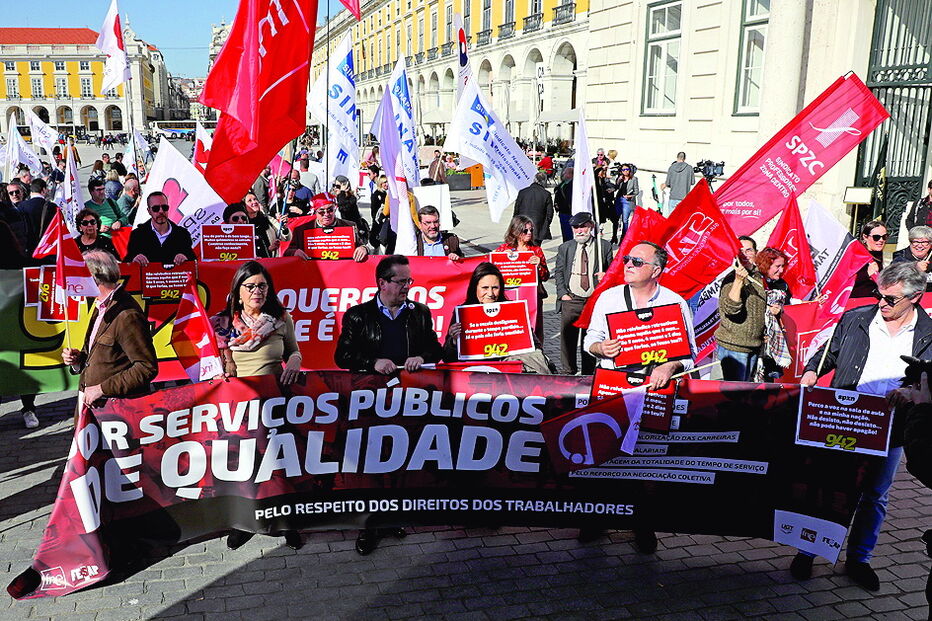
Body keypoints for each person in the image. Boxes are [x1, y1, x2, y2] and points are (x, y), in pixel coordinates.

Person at [791, 262, 932, 591]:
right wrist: (813, 370)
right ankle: (808, 551)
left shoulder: (928, 334)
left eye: (891, 299)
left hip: (893, 425)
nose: (882, 303)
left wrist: (912, 392)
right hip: (847, 416)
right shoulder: (857, 318)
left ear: (916, 297)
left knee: (875, 496)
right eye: (879, 294)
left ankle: (859, 558)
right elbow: (829, 352)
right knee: (829, 487)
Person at [582, 241, 696, 550]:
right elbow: (589, 340)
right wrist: (599, 347)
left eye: (637, 261)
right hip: (612, 389)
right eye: (627, 259)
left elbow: (690, 355)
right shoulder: (609, 298)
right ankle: (595, 519)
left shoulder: (675, 303)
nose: (628, 264)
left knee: (645, 462)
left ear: (656, 271)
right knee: (604, 456)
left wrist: (671, 365)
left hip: (653, 394)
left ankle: (643, 526)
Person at [335, 255, 442, 555]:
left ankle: (393, 516)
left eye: (409, 280)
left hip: (407, 400)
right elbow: (342, 357)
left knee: (400, 459)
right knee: (371, 463)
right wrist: (372, 362)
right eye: (401, 281)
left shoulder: (419, 313)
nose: (408, 286)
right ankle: (369, 526)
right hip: (370, 400)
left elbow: (434, 347)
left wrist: (423, 357)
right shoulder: (358, 316)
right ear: (382, 283)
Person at [209, 260, 303, 551]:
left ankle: (287, 521)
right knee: (244, 466)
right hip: (237, 406)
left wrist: (296, 362)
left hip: (275, 401)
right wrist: (217, 371)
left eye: (262, 286)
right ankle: (244, 523)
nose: (257, 291)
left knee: (280, 464)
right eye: (250, 286)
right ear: (237, 292)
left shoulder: (279, 317)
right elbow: (206, 362)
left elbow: (294, 351)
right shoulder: (220, 323)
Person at [61, 250, 158, 415]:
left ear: (92, 277)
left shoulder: (127, 315)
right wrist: (78, 360)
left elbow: (146, 367)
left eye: (80, 274)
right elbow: (104, 356)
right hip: (96, 412)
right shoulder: (101, 305)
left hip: (117, 413)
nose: (76, 281)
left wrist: (102, 389)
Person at [442, 262, 553, 373]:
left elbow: (536, 345)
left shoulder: (513, 310)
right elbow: (447, 358)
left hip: (510, 376)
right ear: (475, 288)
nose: (490, 293)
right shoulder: (463, 313)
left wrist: (524, 340)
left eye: (495, 288)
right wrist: (454, 342)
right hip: (475, 376)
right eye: (485, 288)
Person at [715, 246, 788, 381]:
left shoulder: (758, 277)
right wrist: (738, 281)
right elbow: (731, 308)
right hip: (735, 348)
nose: (781, 270)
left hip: (754, 346)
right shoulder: (732, 278)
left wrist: (774, 311)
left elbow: (759, 306)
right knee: (735, 395)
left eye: (749, 250)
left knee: (746, 394)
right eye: (778, 266)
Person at [554, 212, 613, 375]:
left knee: (590, 339)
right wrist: (562, 294)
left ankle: (587, 373)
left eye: (583, 226)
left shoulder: (604, 246)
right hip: (571, 299)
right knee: (568, 340)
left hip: (592, 302)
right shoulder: (566, 247)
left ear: (591, 226)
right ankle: (568, 372)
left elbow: (613, 272)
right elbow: (558, 272)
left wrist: (606, 276)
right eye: (575, 227)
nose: (579, 231)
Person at [496, 215, 550, 341]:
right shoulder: (504, 249)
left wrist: (539, 266)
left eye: (531, 230)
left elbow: (545, 276)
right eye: (525, 230)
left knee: (534, 326)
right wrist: (501, 258)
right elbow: (491, 269)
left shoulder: (536, 250)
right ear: (516, 231)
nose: (529, 233)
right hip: (510, 296)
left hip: (532, 297)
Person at [284, 196, 369, 262]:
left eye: (330, 210)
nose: (326, 214)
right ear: (315, 212)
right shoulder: (301, 230)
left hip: (341, 271)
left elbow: (361, 245)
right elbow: (287, 252)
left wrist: (363, 249)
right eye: (321, 211)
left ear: (335, 209)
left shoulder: (349, 226)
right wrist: (294, 252)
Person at [124, 191, 197, 265]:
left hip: (175, 276)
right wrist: (134, 259)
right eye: (156, 208)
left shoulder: (182, 234)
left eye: (164, 207)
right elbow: (127, 262)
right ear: (149, 211)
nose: (161, 211)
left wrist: (185, 258)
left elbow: (194, 262)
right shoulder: (138, 235)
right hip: (149, 275)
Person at [512, 171, 554, 246]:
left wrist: (515, 224)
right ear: (544, 181)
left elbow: (516, 210)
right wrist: (546, 224)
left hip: (522, 226)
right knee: (535, 250)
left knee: (523, 249)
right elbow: (550, 213)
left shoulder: (523, 192)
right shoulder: (546, 194)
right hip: (539, 228)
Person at [243, 191, 290, 258]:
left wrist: (283, 227)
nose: (254, 202)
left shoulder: (269, 219)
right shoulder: (242, 223)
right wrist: (268, 250)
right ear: (244, 205)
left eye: (255, 199)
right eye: (250, 201)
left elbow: (286, 238)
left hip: (271, 262)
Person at [17, 179, 56, 253]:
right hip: (47, 248)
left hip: (28, 247)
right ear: (43, 190)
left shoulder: (21, 206)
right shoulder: (52, 207)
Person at [851, 220, 887, 299]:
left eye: (884, 237)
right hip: (857, 302)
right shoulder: (856, 254)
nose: (881, 240)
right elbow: (843, 281)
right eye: (876, 237)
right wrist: (867, 274)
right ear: (865, 237)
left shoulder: (877, 254)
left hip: (875, 302)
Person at [892, 225, 932, 291]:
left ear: (930, 244)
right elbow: (895, 271)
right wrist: (914, 267)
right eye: (916, 242)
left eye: (924, 242)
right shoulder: (901, 255)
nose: (920, 245)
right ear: (910, 242)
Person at [613, 163, 640, 238]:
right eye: (623, 170)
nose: (625, 171)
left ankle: (623, 237)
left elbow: (636, 191)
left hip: (627, 201)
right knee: (616, 219)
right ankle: (614, 236)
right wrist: (618, 180)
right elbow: (616, 187)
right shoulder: (620, 178)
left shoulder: (634, 179)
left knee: (625, 220)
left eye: (627, 169)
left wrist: (629, 196)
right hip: (619, 199)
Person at [554, 166, 574, 242]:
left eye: (565, 173)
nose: (563, 175)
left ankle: (569, 247)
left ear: (569, 174)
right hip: (562, 212)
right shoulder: (563, 183)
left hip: (568, 212)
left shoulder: (571, 185)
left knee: (568, 234)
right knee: (565, 233)